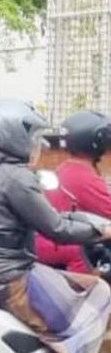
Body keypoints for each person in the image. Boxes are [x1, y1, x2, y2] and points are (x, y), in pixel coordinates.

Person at [0, 98, 111, 353]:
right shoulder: (15, 177)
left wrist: (87, 224)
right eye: (29, 134)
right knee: (99, 293)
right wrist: (100, 231)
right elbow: (56, 227)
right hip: (9, 277)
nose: (35, 144)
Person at [35, 110, 111, 274]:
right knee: (83, 255)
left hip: (51, 237)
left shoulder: (68, 168)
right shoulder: (83, 176)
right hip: (59, 243)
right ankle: (86, 293)